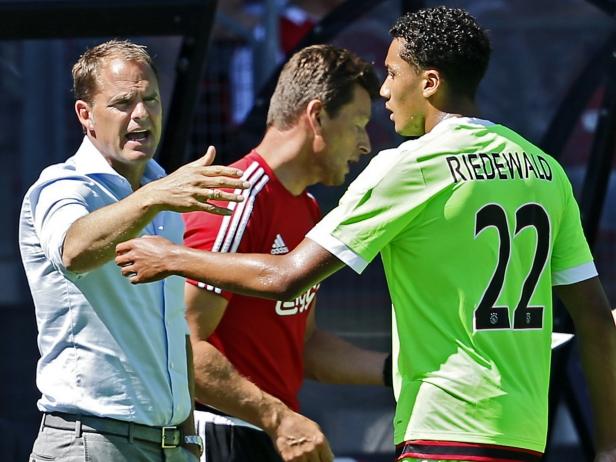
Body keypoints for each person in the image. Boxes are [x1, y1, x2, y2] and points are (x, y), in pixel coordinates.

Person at [115, 7, 616, 462]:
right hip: (523, 437)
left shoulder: (410, 165)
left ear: (429, 82)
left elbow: (286, 276)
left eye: (393, 74)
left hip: (442, 434)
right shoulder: (544, 169)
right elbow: (596, 318)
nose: (383, 93)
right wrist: (609, 446)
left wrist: (172, 256)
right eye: (356, 121)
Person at [19, 39, 250, 462]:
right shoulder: (62, 186)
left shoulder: (160, 193)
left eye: (150, 99)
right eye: (123, 102)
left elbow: (172, 327)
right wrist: (156, 197)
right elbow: (74, 249)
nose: (141, 113)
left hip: (171, 446)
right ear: (85, 115)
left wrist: (187, 436)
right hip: (89, 442)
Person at [182, 44, 388, 462]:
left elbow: (304, 344)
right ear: (316, 116)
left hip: (268, 433)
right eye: (359, 124)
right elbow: (183, 346)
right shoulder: (235, 195)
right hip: (220, 434)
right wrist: (277, 418)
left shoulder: (308, 208)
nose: (365, 145)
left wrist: (400, 371)